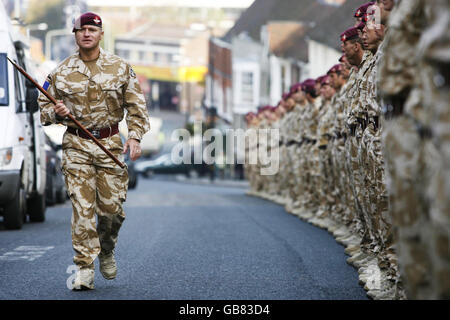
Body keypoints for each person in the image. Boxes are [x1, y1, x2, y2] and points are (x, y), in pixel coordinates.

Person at [38, 12, 151, 290]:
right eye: (81, 29)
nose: (86, 33)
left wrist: (134, 138)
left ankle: (107, 248)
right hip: (76, 146)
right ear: (74, 35)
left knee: (112, 211)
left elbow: (136, 107)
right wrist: (57, 111)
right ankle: (84, 268)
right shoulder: (60, 73)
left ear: (101, 34)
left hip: (110, 143)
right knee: (82, 208)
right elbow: (43, 110)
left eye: (92, 29)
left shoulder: (120, 67)